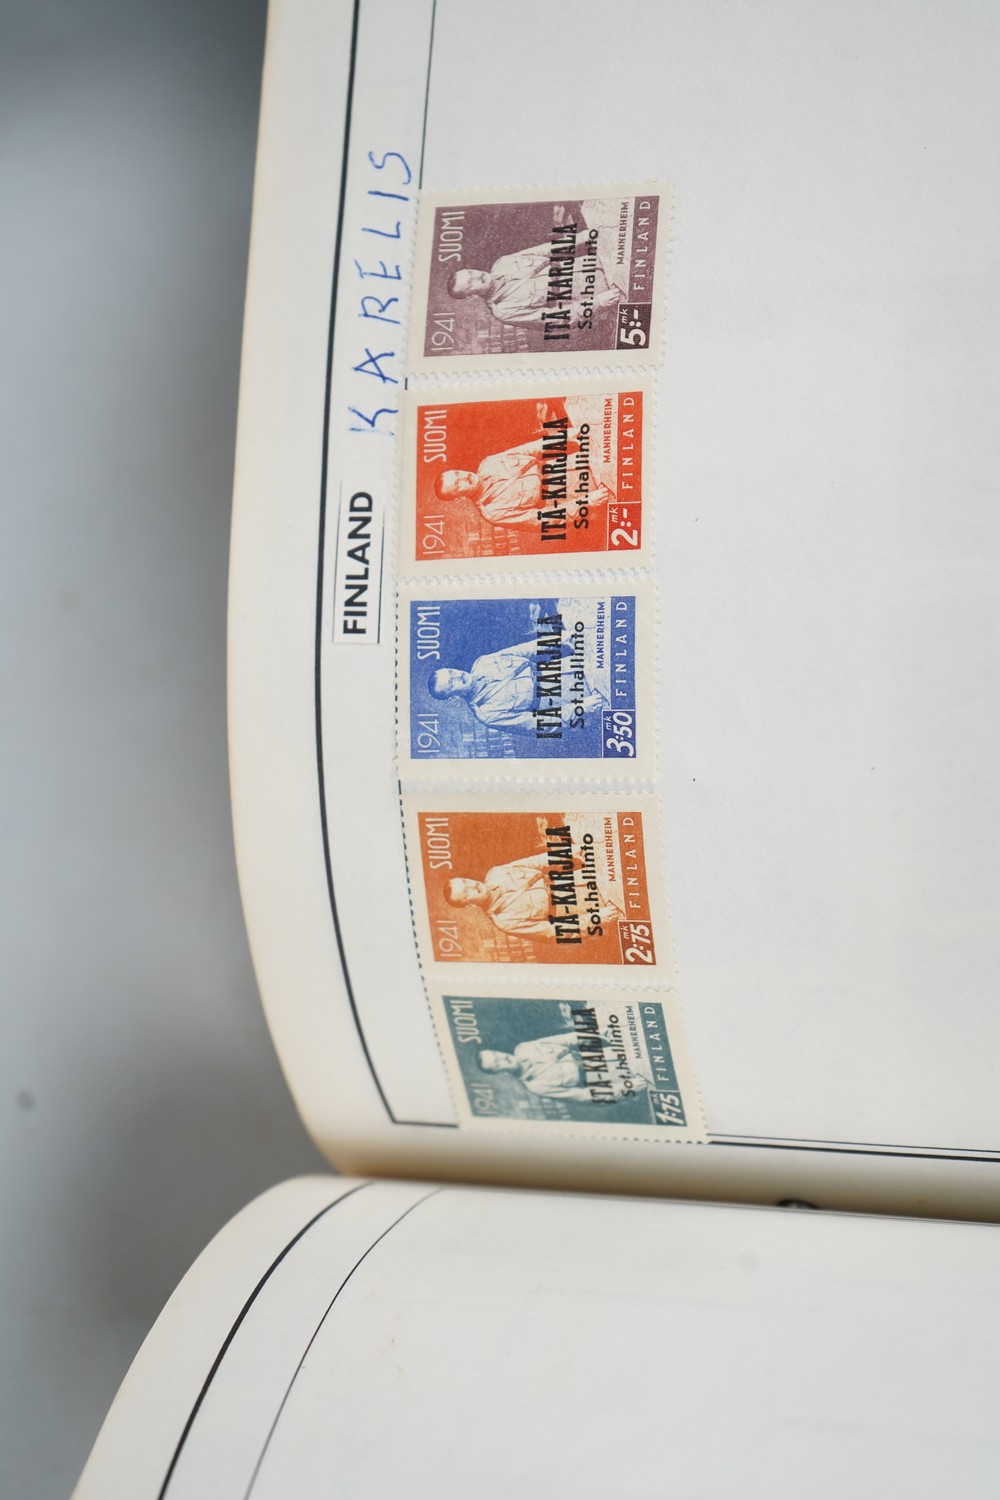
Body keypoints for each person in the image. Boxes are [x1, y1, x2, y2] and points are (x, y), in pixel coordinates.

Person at [427, 632, 607, 734]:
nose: (457, 676)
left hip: (573, 665)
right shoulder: (487, 713)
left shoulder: (482, 662)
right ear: (452, 698)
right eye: (451, 683)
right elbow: (539, 723)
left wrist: (558, 639)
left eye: (451, 672)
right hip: (579, 697)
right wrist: (581, 708)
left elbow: (524, 650)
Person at [448, 227, 620, 328]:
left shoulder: (502, 263)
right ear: (470, 297)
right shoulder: (504, 311)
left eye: (471, 272)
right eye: (470, 282)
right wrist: (599, 302)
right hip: (608, 292)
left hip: (599, 261)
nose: (477, 276)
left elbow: (546, 249)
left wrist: (583, 237)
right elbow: (558, 318)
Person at [434, 434, 612, 529]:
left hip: (575, 461)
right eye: (457, 485)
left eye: (457, 473)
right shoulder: (493, 512)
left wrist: (566, 436)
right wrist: (587, 502)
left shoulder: (488, 463)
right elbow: (545, 518)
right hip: (582, 492)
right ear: (458, 498)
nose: (464, 477)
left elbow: (529, 449)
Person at [443, 853, 622, 941]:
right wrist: (597, 918)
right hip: (585, 906)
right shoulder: (505, 921)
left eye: (465, 882)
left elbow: (533, 862)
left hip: (579, 877)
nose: (472, 886)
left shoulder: (496, 873)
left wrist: (566, 854)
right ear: (469, 906)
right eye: (466, 892)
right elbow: (554, 931)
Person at [477, 1030, 649, 1104]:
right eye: (497, 1063)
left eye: (496, 1054)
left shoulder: (524, 1048)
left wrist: (599, 1033)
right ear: (500, 1073)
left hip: (613, 1050)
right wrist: (628, 1087)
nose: (503, 1058)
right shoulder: (537, 1087)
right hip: (620, 1076)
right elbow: (586, 1096)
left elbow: (566, 1039)